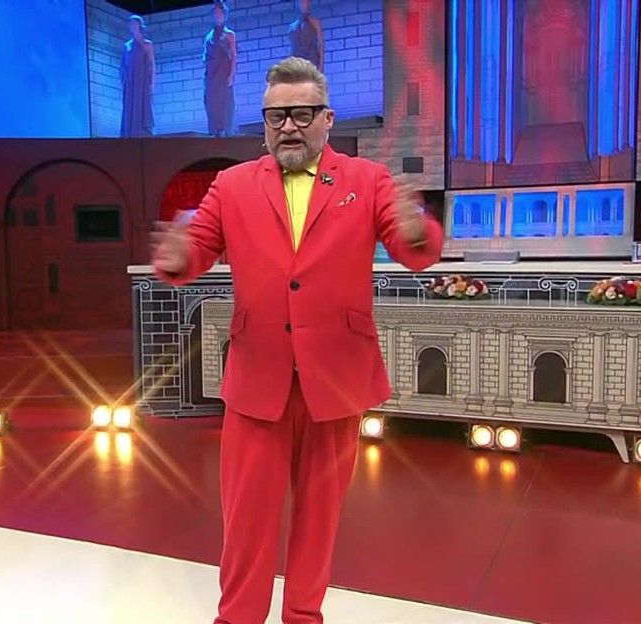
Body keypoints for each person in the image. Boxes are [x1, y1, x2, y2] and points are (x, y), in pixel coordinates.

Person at [151, 56, 443, 624]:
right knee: (246, 521)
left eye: (302, 114)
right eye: (276, 116)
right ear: (264, 123)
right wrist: (179, 255)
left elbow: (411, 248)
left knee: (319, 517)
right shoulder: (232, 184)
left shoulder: (367, 179)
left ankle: (303, 616)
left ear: (327, 118)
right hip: (257, 378)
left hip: (335, 379)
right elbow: (198, 247)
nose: (288, 126)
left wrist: (416, 230)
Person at [203, 1, 237, 137]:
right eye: (215, 13)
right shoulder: (208, 36)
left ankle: (225, 131)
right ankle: (214, 131)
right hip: (211, 76)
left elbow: (234, 55)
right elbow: (205, 56)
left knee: (225, 103)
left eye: (220, 13)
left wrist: (231, 75)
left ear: (225, 15)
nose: (218, 15)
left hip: (224, 73)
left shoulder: (230, 34)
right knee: (212, 103)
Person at [121, 15, 155, 138]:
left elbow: (152, 65)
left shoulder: (147, 44)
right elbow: (123, 66)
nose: (131, 26)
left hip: (142, 83)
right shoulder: (127, 46)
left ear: (139, 25)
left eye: (133, 23)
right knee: (130, 106)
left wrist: (152, 84)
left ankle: (143, 133)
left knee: (143, 106)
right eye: (130, 24)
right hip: (130, 83)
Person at [288, 0, 324, 72]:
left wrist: (321, 66)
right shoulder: (292, 26)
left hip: (311, 61)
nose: (304, 3)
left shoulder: (315, 22)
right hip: (296, 63)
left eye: (306, 1)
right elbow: (292, 45)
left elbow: (321, 44)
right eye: (302, 1)